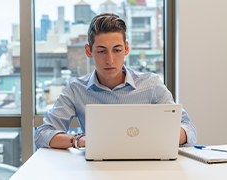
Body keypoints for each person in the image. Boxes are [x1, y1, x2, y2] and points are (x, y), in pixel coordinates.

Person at [35, 13, 197, 149]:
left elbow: (189, 130)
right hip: (96, 168)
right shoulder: (76, 89)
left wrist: (156, 139)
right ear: (89, 51)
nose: (110, 60)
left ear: (126, 49)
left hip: (147, 165)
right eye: (101, 51)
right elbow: (42, 134)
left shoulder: (151, 84)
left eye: (117, 50)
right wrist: (80, 140)